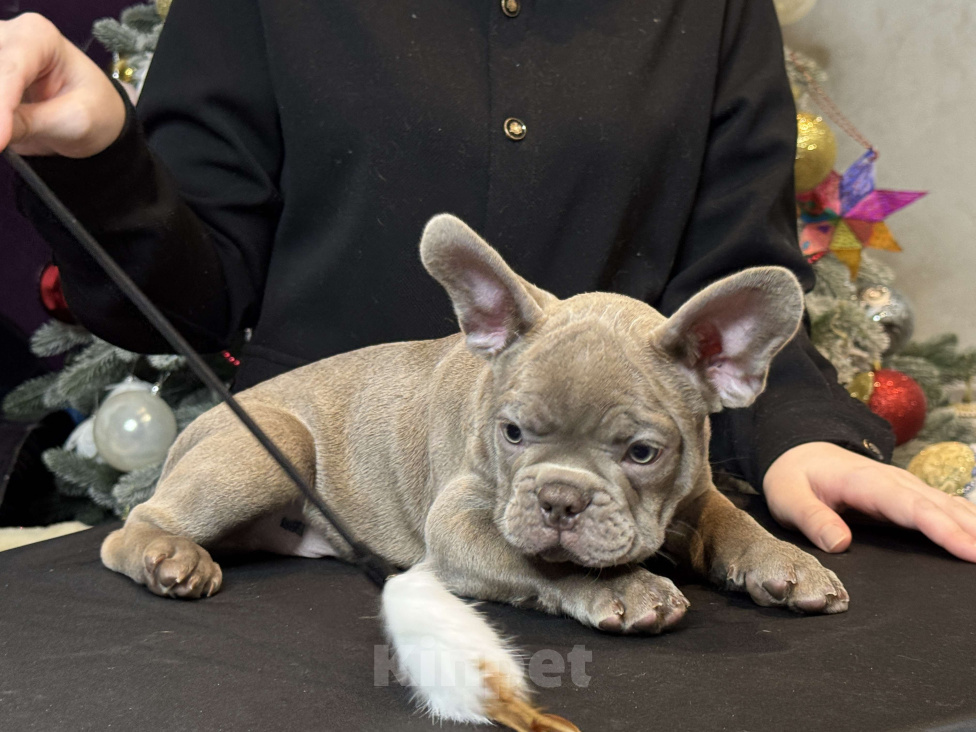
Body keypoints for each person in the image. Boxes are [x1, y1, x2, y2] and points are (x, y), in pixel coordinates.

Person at [1, 0, 974, 564]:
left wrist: (802, 440)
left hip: (619, 546)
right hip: (313, 550)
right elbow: (191, 306)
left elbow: (734, 275)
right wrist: (97, 157)